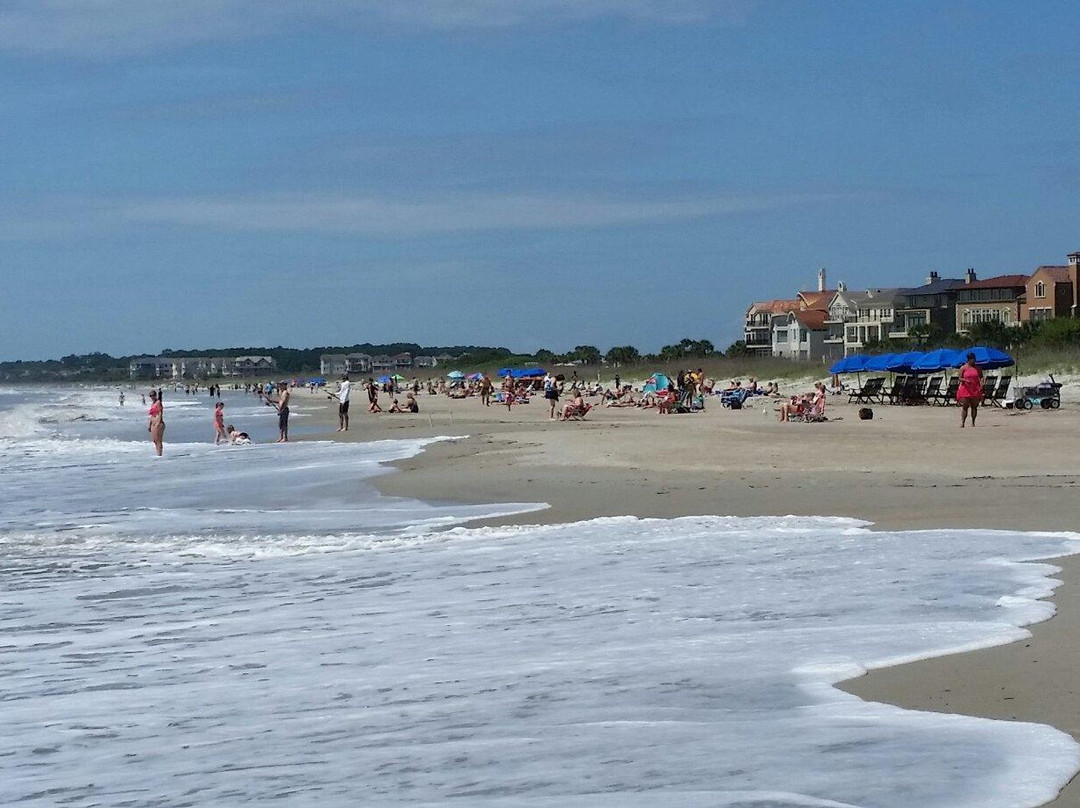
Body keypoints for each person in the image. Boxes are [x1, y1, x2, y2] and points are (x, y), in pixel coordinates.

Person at [957, 352, 983, 428]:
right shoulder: (963, 368)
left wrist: (981, 384)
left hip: (975, 388)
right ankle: (963, 422)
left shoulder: (978, 368)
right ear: (969, 359)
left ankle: (973, 422)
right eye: (973, 359)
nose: (974, 361)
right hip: (966, 389)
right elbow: (959, 378)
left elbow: (981, 377)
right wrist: (965, 380)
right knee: (965, 406)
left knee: (974, 406)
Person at [147, 389, 165, 456]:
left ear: (155, 395)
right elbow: (152, 415)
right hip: (153, 423)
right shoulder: (152, 404)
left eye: (153, 395)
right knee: (155, 440)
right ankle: (158, 453)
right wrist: (149, 424)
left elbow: (160, 413)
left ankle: (159, 454)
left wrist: (158, 422)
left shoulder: (158, 402)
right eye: (150, 396)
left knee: (159, 440)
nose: (152, 397)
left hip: (158, 423)